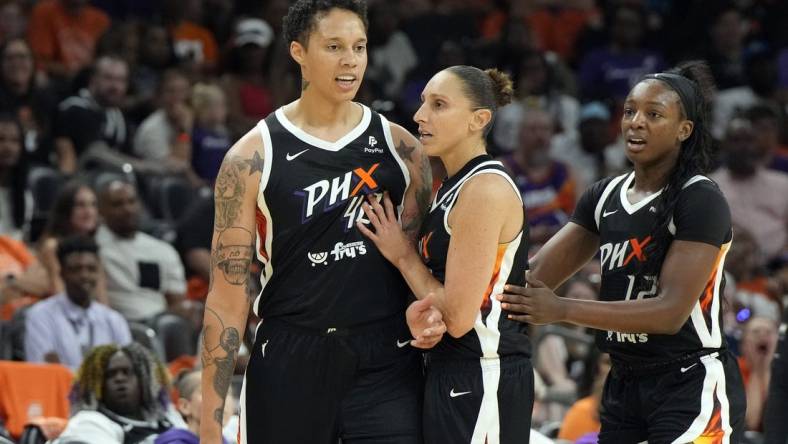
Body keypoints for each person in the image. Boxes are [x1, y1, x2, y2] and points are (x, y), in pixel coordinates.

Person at [198, 1, 435, 443]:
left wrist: (431, 312)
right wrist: (210, 428)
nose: (350, 61)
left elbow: (423, 262)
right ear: (298, 52)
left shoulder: (403, 150)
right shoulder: (250, 158)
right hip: (289, 356)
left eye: (359, 47)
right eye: (333, 46)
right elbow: (227, 296)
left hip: (385, 361)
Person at [498, 61, 747, 443]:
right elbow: (530, 279)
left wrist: (562, 309)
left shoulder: (699, 198)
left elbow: (669, 313)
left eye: (654, 114)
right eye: (630, 111)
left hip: (689, 382)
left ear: (685, 130)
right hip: (623, 383)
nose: (636, 122)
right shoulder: (603, 196)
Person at [357, 65, 533, 443]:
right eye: (423, 103)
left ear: (478, 119)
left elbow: (458, 318)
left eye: (439, 105)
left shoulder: (485, 189)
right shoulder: (450, 186)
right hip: (451, 370)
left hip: (484, 372)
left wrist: (402, 254)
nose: (421, 116)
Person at [24, 235, 131, 369]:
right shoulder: (41, 315)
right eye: (76, 269)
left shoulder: (114, 319)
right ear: (62, 273)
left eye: (91, 269)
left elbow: (125, 368)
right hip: (59, 389)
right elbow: (45, 371)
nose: (84, 276)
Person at [95, 179, 187, 322]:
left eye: (131, 202)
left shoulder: (162, 249)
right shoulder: (94, 247)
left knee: (192, 310)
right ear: (101, 210)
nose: (127, 209)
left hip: (160, 319)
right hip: (123, 322)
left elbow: (177, 300)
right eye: (117, 204)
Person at [55, 343, 177, 444]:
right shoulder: (87, 422)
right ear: (97, 385)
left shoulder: (168, 417)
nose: (119, 379)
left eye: (127, 372)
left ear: (145, 380)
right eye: (110, 374)